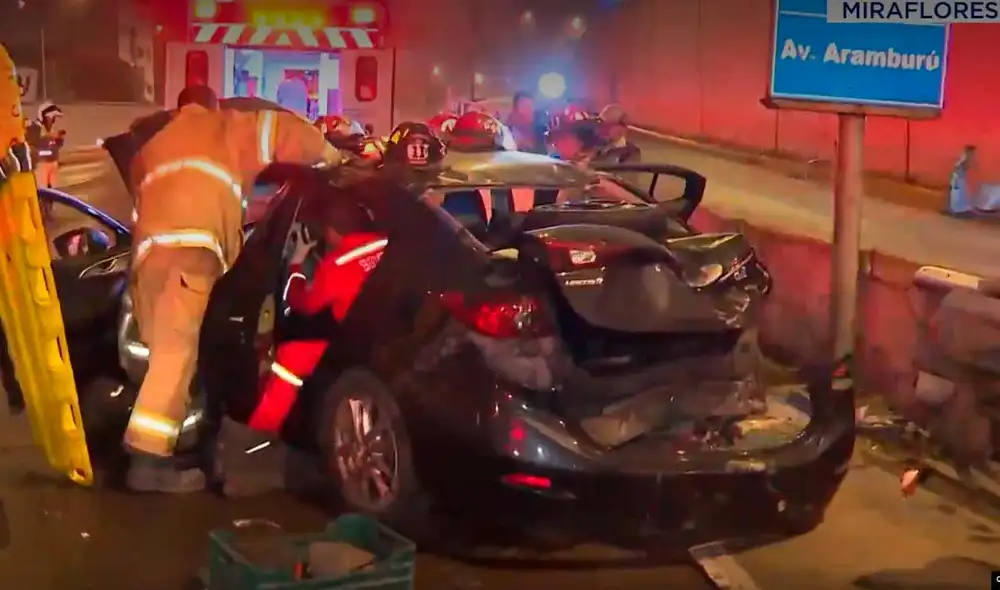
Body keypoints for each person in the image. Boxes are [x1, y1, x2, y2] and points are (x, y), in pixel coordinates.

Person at [123, 84, 348, 493]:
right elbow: (289, 134)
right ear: (212, 105)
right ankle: (147, 462)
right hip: (191, 253)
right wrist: (333, 158)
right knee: (175, 358)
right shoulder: (226, 128)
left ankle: (172, 445)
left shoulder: (153, 147)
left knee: (166, 358)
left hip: (147, 262)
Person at [249, 199, 387, 433]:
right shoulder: (383, 243)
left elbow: (304, 304)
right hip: (381, 326)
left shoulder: (338, 265)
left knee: (291, 355)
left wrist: (296, 265)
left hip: (352, 339)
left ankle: (261, 429)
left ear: (332, 230)